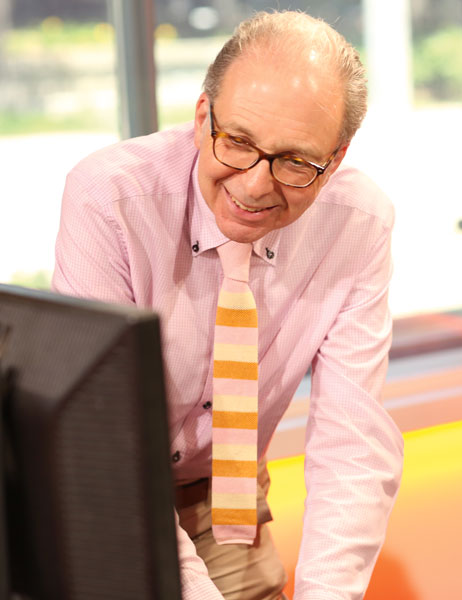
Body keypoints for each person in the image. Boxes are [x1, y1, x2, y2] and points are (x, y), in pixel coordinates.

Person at [52, 10, 403, 600]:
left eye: (296, 161)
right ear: (201, 116)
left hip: (228, 493)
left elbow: (354, 445)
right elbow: (105, 445)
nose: (256, 185)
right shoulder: (110, 199)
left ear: (336, 158)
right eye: (237, 142)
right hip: (97, 483)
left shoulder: (359, 225)